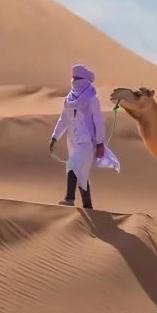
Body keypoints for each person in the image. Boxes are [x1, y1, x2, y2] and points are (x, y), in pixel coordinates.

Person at [49, 64, 120, 208]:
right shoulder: (68, 99)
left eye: (77, 78)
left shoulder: (92, 99)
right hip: (72, 142)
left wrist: (100, 144)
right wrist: (55, 136)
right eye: (73, 77)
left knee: (72, 164)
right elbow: (63, 119)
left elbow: (98, 122)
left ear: (85, 80)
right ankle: (88, 207)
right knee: (81, 175)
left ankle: (69, 199)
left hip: (87, 143)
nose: (74, 80)